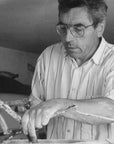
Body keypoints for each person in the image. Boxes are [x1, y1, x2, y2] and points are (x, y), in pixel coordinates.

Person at [22, 0, 114, 142]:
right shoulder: (48, 56)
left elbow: (111, 109)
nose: (67, 38)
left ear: (99, 28)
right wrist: (31, 116)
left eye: (78, 29)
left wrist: (60, 105)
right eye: (63, 28)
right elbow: (36, 105)